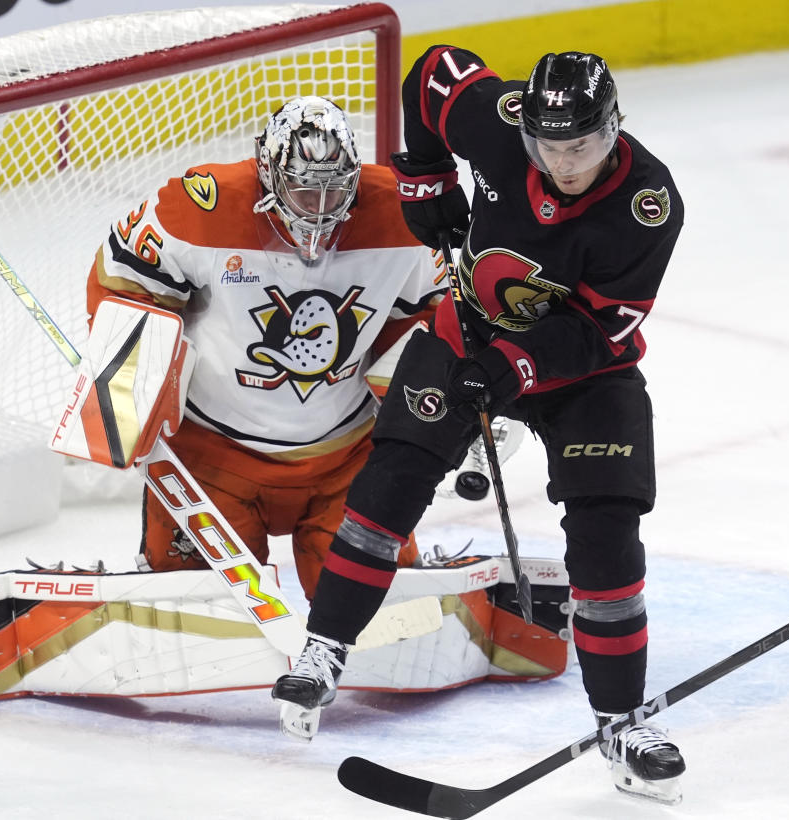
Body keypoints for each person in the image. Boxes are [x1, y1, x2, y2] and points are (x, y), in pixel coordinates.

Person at [271, 49, 687, 804]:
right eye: (549, 146)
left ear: (614, 127)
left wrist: (512, 370)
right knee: (389, 481)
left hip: (585, 374)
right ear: (525, 128)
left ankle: (624, 718)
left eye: (583, 147)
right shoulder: (497, 123)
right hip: (469, 334)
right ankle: (322, 650)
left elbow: (600, 329)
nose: (565, 163)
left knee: (606, 528)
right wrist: (424, 176)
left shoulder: (648, 204)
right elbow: (433, 70)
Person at [86, 95, 444, 601]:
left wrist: (427, 401)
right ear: (269, 173)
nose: (319, 210)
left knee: (378, 610)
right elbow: (124, 282)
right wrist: (129, 385)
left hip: (350, 460)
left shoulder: (402, 212)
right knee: (202, 609)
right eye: (303, 190)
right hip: (212, 457)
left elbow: (441, 311)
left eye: (334, 191)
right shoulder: (202, 205)